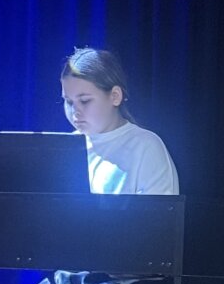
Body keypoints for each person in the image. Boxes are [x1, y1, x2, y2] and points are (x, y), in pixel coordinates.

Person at [60, 46, 179, 195]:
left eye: (85, 101)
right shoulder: (64, 149)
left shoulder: (145, 146)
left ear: (115, 96)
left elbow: (159, 208)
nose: (75, 111)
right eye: (69, 102)